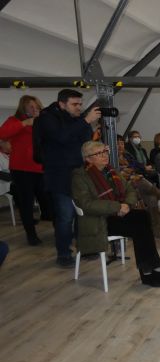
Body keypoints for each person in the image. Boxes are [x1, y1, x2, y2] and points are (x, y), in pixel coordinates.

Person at [72, 141, 160, 288]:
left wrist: (127, 205)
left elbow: (130, 189)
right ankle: (151, 271)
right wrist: (117, 206)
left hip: (119, 214)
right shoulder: (80, 176)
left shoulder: (111, 171)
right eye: (99, 154)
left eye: (105, 152)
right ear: (88, 158)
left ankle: (150, 269)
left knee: (142, 217)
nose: (105, 156)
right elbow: (87, 204)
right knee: (140, 227)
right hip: (99, 220)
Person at [36, 89, 100, 267]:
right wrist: (86, 120)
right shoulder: (47, 118)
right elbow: (61, 137)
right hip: (59, 175)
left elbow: (84, 142)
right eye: (75, 104)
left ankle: (85, 248)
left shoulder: (76, 120)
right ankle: (63, 254)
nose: (79, 107)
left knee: (83, 213)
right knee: (65, 217)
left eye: (80, 104)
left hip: (79, 173)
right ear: (62, 104)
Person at [0, 95, 53, 245]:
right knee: (26, 203)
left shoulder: (43, 121)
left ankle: (53, 223)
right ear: (23, 108)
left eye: (37, 106)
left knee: (48, 199)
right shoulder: (15, 121)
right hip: (21, 169)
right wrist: (24, 123)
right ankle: (31, 234)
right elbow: (2, 133)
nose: (35, 109)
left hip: (41, 168)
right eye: (31, 107)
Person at [117, 135, 160, 239]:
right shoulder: (111, 157)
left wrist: (134, 171)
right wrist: (132, 172)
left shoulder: (127, 155)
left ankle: (156, 230)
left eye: (122, 143)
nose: (120, 146)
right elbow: (118, 173)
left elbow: (138, 166)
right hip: (123, 186)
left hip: (135, 182)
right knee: (141, 180)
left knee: (152, 198)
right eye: (117, 143)